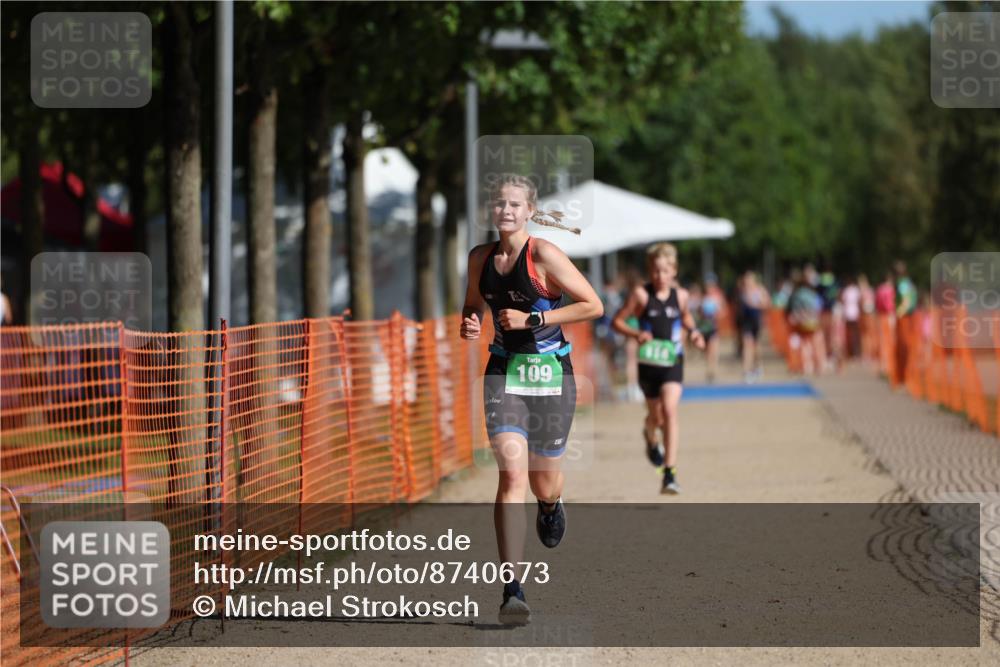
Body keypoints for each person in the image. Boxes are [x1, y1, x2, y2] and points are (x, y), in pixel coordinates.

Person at [460, 174, 603, 625]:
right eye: (499, 203)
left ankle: (550, 504)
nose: (505, 210)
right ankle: (512, 590)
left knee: (544, 482)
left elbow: (592, 305)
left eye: (514, 204)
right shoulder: (479, 258)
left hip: (550, 375)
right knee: (510, 476)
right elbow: (472, 305)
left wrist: (534, 319)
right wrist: (470, 321)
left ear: (529, 210)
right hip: (504, 372)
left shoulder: (543, 254)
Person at [611, 243, 705, 494]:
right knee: (657, 417)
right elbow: (617, 321)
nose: (659, 276)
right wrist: (636, 333)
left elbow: (685, 316)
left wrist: (694, 332)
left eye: (664, 271)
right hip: (649, 364)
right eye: (654, 271)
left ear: (674, 271)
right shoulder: (641, 295)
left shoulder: (681, 296)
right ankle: (650, 435)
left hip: (673, 361)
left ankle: (669, 474)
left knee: (670, 410)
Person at [786, 268, 826, 376]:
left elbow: (793, 309)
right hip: (812, 322)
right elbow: (817, 308)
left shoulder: (797, 294)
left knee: (805, 345)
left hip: (802, 322)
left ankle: (807, 366)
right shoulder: (811, 294)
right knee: (816, 344)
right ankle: (818, 366)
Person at [737, 270, 770, 382]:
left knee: (756, 346)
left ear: (754, 280)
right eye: (746, 280)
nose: (747, 282)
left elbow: (767, 303)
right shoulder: (743, 291)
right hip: (746, 322)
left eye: (749, 279)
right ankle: (746, 371)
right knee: (747, 344)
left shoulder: (760, 290)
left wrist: (756, 305)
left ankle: (758, 366)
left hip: (757, 321)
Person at [893, 260, 918, 386]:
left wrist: (898, 312)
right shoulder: (909, 283)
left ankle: (903, 376)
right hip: (911, 317)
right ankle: (907, 375)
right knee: (908, 346)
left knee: (903, 347)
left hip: (904, 318)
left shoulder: (902, 284)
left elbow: (906, 301)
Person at [840, 276, 862, 359]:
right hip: (855, 314)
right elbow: (859, 301)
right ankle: (855, 352)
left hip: (847, 314)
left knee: (849, 334)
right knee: (855, 334)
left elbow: (842, 301)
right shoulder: (855, 290)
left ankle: (851, 352)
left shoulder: (846, 290)